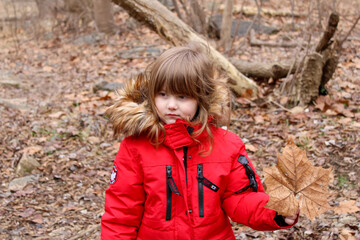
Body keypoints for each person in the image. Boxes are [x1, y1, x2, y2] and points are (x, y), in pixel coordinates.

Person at [101, 42, 298, 239]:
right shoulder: (136, 148)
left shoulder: (227, 146)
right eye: (163, 94)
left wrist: (276, 211)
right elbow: (121, 212)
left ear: (201, 98)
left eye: (182, 96)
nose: (171, 105)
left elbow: (240, 199)